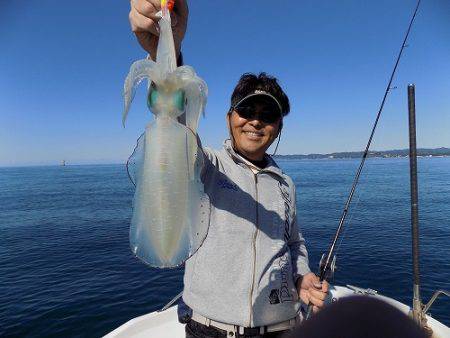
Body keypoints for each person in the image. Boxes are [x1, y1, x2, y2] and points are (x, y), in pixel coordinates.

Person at [129, 1, 329, 337]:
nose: (255, 119)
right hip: (211, 329)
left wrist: (302, 276)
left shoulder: (285, 185)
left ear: (278, 128)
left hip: (283, 327)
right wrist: (168, 51)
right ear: (229, 118)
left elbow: (294, 243)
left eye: (268, 114)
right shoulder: (205, 165)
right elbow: (171, 120)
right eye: (247, 108)